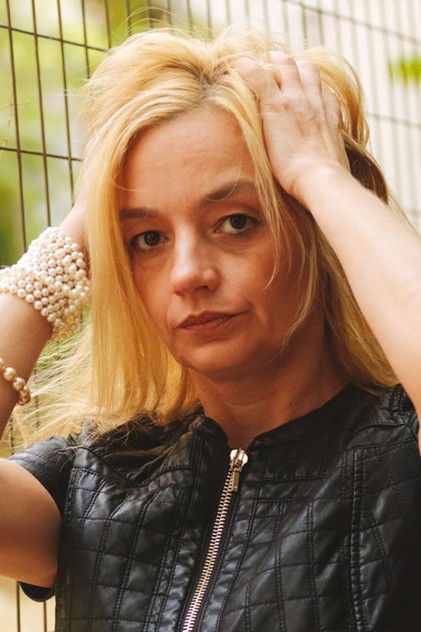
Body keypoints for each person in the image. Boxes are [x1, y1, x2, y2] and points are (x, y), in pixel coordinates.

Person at [0, 24, 420, 632]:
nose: (188, 274)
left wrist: (321, 174)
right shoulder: (94, 476)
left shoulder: (402, 454)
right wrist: (80, 229)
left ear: (318, 229)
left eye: (236, 222)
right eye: (148, 238)